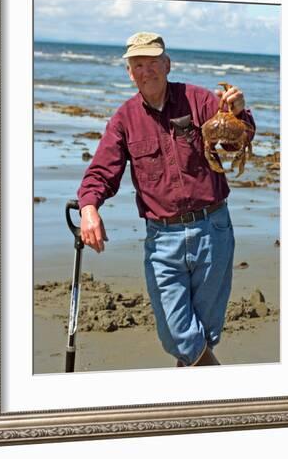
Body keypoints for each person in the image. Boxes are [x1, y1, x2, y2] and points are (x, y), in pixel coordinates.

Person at [77, 31, 255, 367]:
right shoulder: (124, 120)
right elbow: (102, 171)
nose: (146, 71)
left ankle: (189, 409)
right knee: (177, 335)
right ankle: (221, 391)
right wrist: (89, 208)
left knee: (205, 332)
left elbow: (233, 144)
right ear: (130, 72)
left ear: (167, 64)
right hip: (162, 239)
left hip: (213, 230)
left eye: (152, 63)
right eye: (138, 65)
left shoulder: (199, 100)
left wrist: (239, 113)